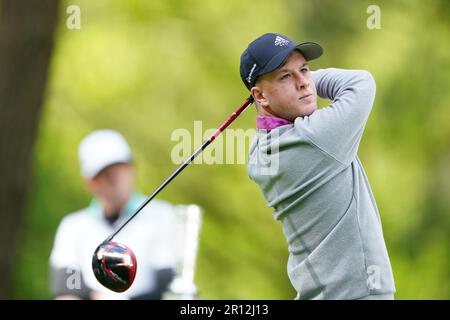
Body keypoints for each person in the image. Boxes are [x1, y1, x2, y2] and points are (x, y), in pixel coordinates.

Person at [241, 33, 395, 300]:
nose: (303, 83)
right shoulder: (316, 138)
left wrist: (284, 86)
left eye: (304, 70)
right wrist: (310, 83)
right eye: (285, 77)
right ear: (259, 96)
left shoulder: (259, 151)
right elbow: (361, 83)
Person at [49, 129, 177, 299]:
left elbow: (167, 282)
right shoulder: (73, 225)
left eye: (119, 168)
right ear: (90, 182)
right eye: (104, 173)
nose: (115, 178)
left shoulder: (162, 215)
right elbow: (67, 283)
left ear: (131, 169)